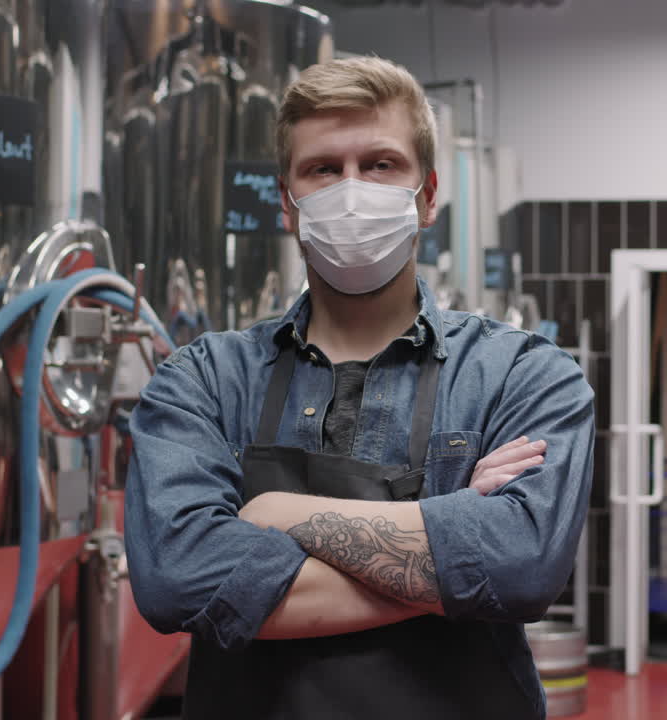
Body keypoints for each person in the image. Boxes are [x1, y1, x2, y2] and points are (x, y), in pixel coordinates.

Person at [124, 56, 595, 720]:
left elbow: (522, 568)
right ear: (288, 203)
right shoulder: (202, 379)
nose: (351, 191)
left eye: (380, 165)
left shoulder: (523, 374)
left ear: (427, 196)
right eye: (323, 169)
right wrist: (454, 559)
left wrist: (274, 516)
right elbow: (177, 580)